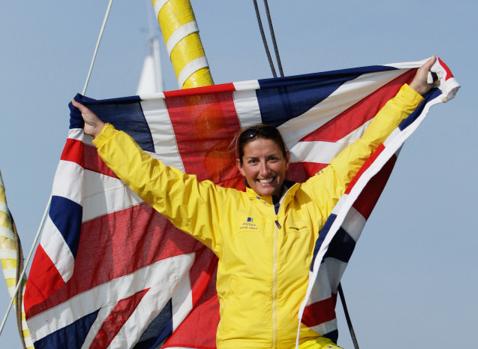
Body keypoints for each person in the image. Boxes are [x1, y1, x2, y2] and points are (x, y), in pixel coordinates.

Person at [72, 57, 436, 349]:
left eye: (272, 159)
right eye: (255, 162)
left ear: (286, 161)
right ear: (242, 168)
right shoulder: (222, 210)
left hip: (306, 341)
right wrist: (106, 137)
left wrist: (413, 93)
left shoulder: (315, 198)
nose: (265, 170)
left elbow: (364, 150)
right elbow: (159, 184)